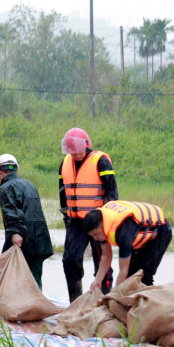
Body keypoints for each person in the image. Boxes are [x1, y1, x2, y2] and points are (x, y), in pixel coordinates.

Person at [59, 127, 118, 301]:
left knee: (102, 261)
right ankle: (75, 301)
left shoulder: (101, 161)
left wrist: (106, 220)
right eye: (73, 152)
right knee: (69, 260)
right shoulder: (65, 163)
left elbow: (112, 192)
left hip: (99, 221)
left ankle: (104, 299)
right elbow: (63, 193)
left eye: (79, 152)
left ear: (87, 145)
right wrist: (67, 218)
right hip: (76, 222)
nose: (76, 155)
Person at [0, 154, 53, 288]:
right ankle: (37, 306)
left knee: (9, 276)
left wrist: (15, 233)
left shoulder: (6, 187)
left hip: (23, 239)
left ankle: (19, 307)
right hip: (40, 240)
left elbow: (10, 211)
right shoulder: (29, 184)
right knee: (35, 278)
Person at [84, 201, 172, 289]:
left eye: (96, 234)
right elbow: (106, 256)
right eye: (92, 236)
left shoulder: (123, 234)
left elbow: (123, 270)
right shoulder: (102, 226)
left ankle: (149, 299)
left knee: (143, 276)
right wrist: (97, 280)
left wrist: (114, 295)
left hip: (160, 232)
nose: (95, 238)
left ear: (103, 225)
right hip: (137, 233)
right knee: (130, 278)